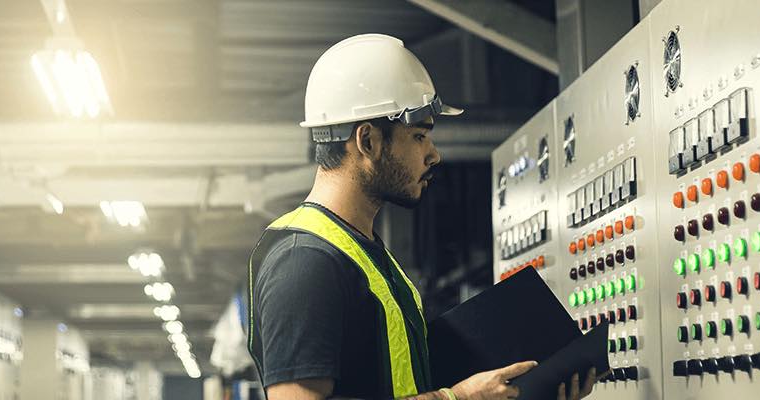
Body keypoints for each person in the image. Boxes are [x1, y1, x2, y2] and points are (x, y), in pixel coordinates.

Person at [245, 34, 602, 399]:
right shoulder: (303, 261)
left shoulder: (365, 252)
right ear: (368, 141)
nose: (434, 156)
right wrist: (460, 397)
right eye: (419, 136)